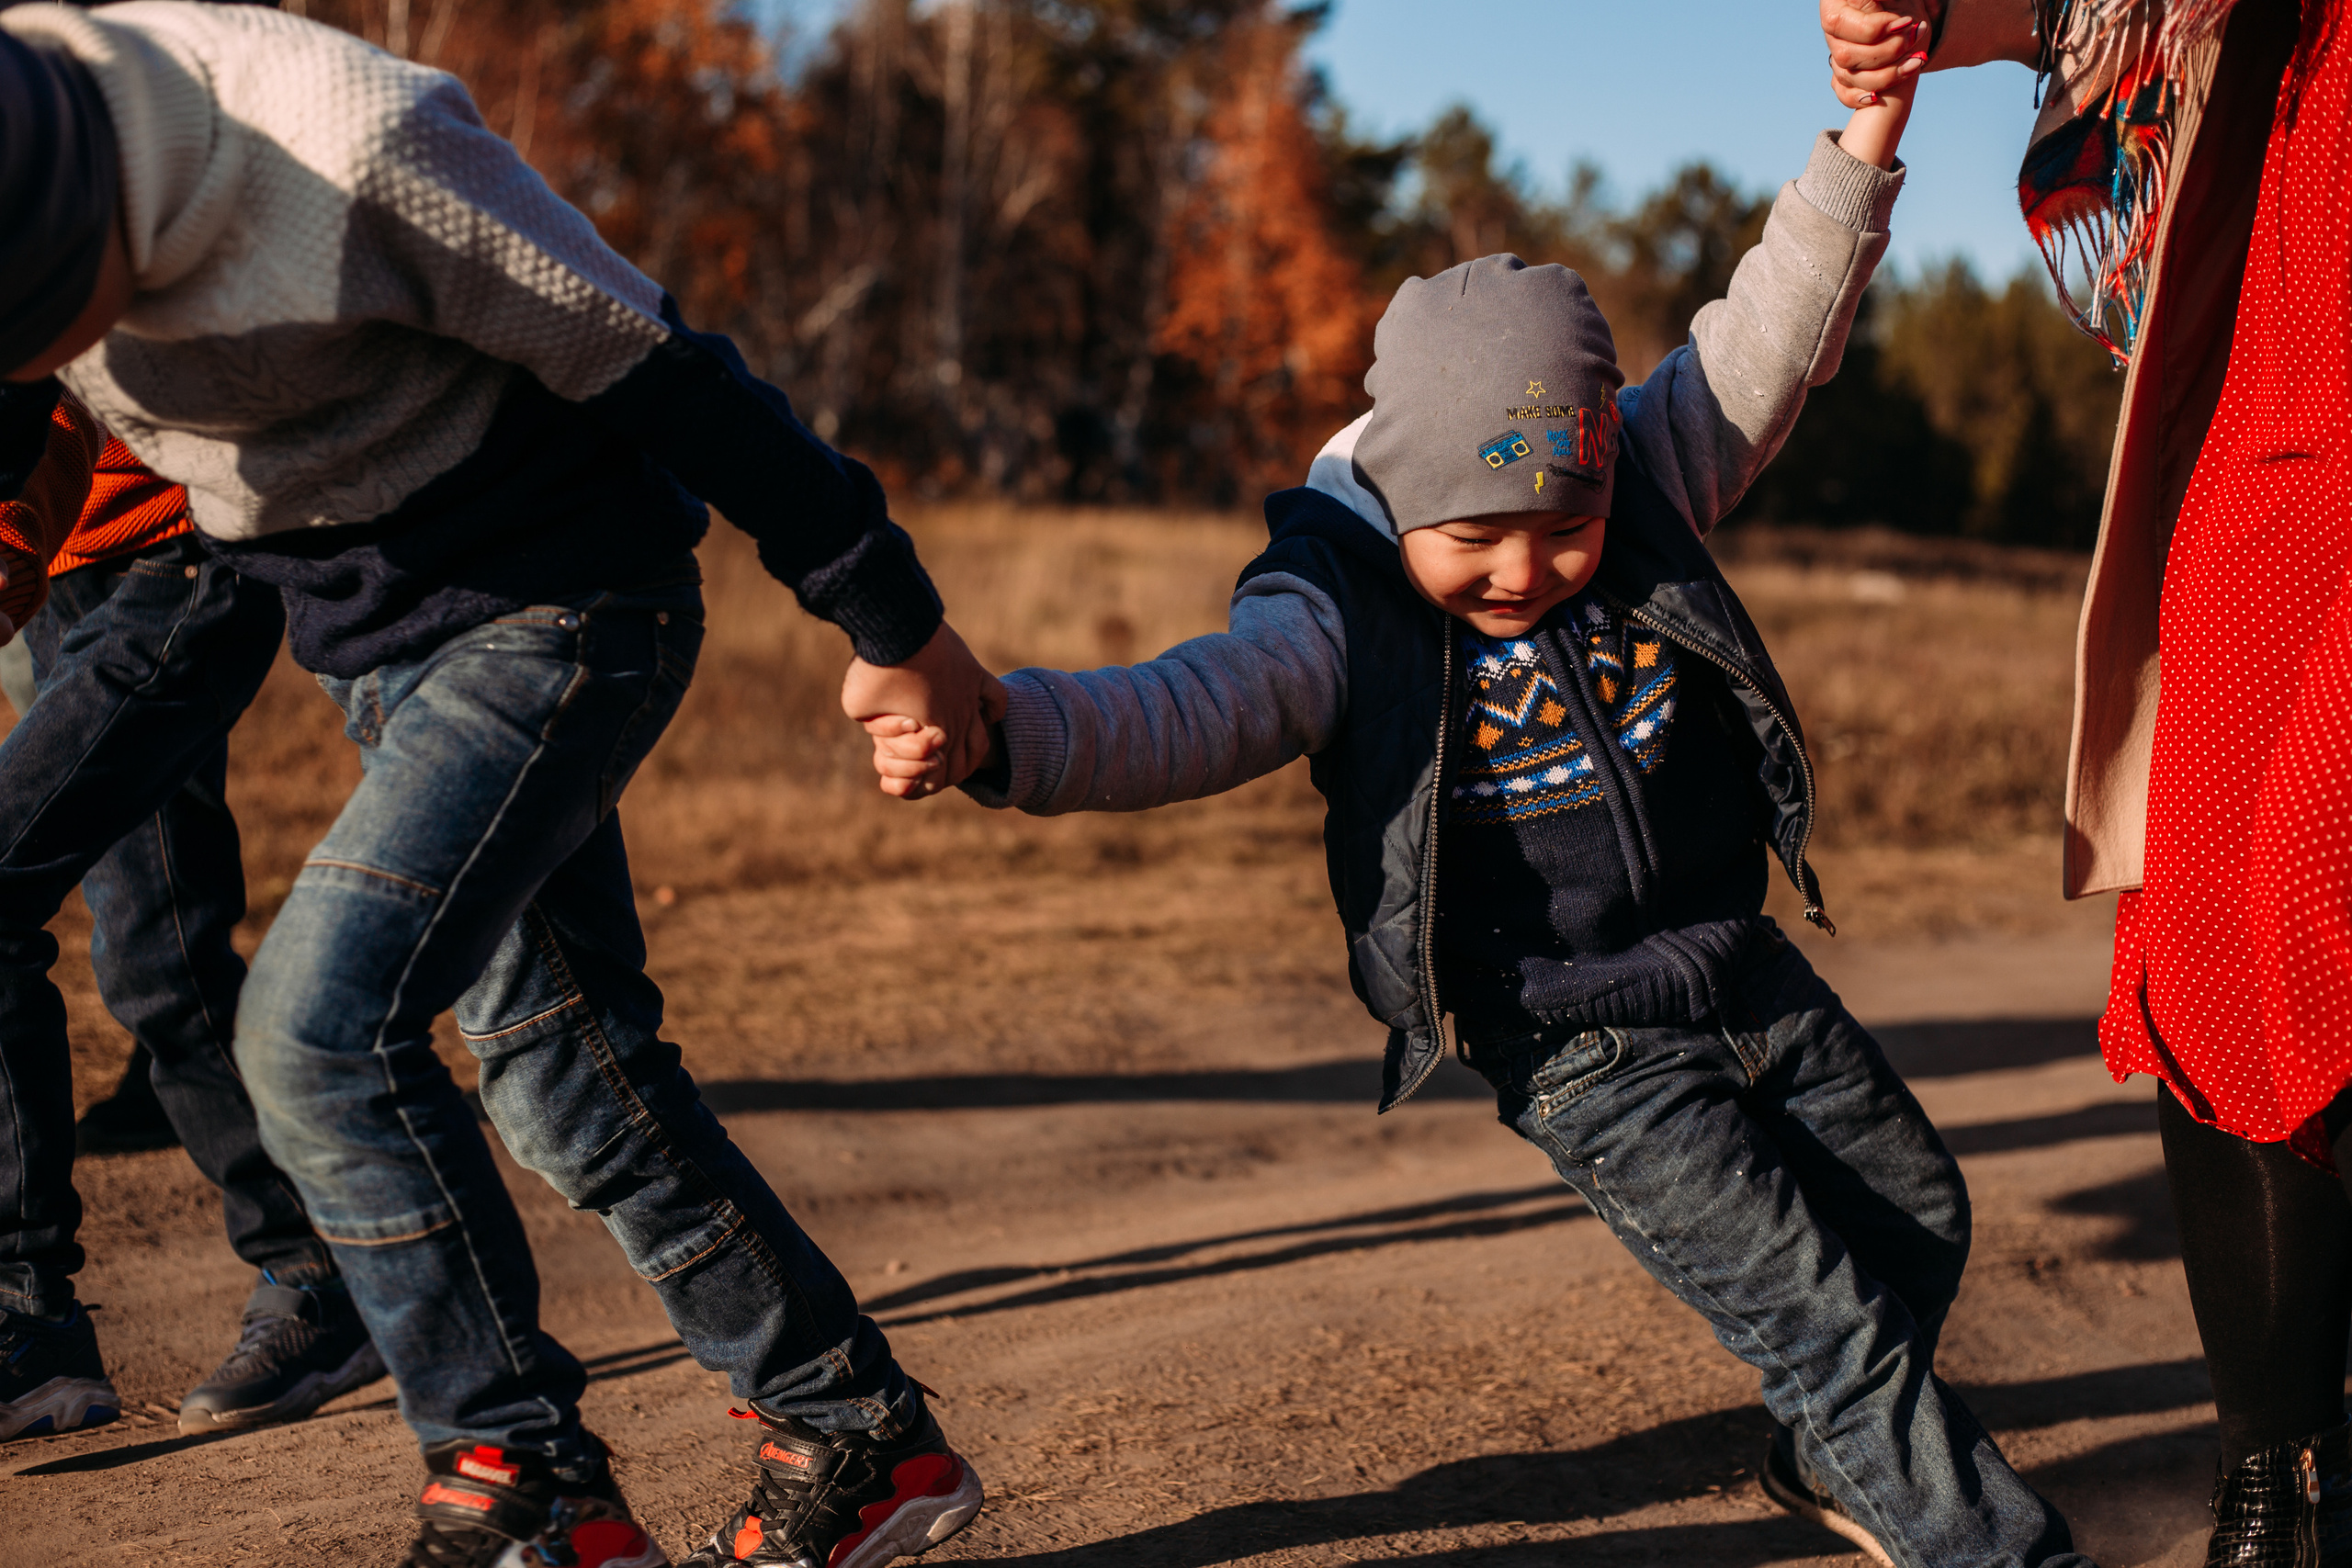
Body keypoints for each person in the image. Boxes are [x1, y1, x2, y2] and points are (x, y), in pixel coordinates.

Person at [854, 71, 2098, 1568]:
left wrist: (1871, 141)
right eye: (1475, 536)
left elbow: (1772, 337)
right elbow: (1193, 706)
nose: (1525, 570)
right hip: (1578, 1041)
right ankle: (1993, 1544)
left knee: (1917, 1215)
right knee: (1834, 1326)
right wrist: (1005, 732)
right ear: (1402, 496)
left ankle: (1828, 1459)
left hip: (1742, 968)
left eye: (1561, 524)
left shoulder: (1646, 479)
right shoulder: (1341, 608)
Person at [0, 4, 994, 1564]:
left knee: (320, 1034)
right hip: (383, 659)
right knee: (563, 1073)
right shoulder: (20, 201)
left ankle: (521, 1485)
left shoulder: (352, 147)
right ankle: (854, 1434)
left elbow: (674, 373)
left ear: (96, 207)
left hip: (564, 611)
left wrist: (898, 624)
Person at [1830, 0, 2352, 1558]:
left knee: (2316, 898)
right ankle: (2275, 1481)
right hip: (2266, 436)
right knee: (2195, 926)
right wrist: (1928, 20)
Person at [0, 394, 389, 1443]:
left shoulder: (72, 227)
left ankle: (29, 1316)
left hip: (181, 549)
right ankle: (311, 1266)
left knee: (128, 937)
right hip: (63, 571)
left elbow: (71, 349)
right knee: (156, 948)